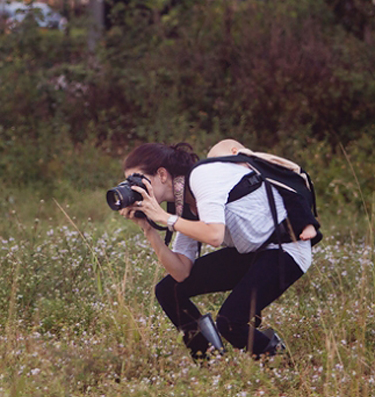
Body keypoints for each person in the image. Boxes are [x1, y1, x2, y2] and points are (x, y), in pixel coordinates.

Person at [119, 142, 312, 360]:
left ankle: (279, 361)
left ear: (162, 174)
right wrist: (148, 229)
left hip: (284, 249)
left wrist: (166, 219)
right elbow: (181, 272)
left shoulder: (203, 176)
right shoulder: (183, 204)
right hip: (250, 251)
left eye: (137, 180)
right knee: (168, 290)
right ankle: (208, 360)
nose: (134, 189)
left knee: (230, 322)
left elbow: (214, 235)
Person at [206, 139, 318, 242]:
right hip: (269, 206)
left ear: (234, 151)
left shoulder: (247, 160)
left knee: (292, 197)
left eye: (218, 160)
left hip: (285, 185)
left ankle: (308, 225)